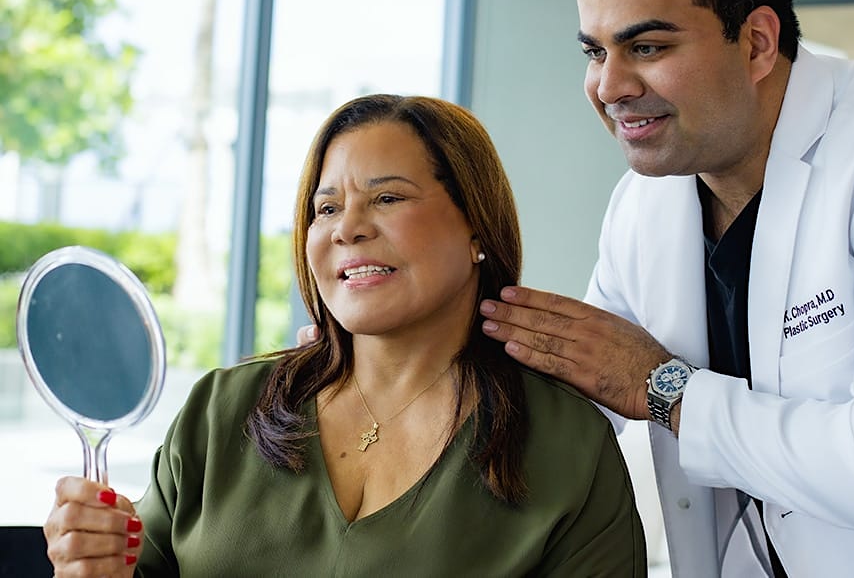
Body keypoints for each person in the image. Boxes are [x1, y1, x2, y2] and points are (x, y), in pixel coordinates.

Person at [473, 0, 854, 578]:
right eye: (594, 52)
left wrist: (664, 389)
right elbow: (572, 412)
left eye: (644, 45)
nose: (608, 87)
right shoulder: (642, 207)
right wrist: (392, 371)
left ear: (757, 42)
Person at [43, 94, 645, 576]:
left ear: (475, 228)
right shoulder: (222, 411)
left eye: (386, 198)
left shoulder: (568, 447)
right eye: (326, 208)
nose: (347, 228)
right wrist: (90, 568)